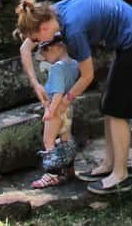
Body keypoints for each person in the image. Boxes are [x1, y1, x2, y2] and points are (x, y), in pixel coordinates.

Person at [15, 0, 132, 195]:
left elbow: (87, 76)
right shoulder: (50, 13)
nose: (39, 45)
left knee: (118, 110)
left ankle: (120, 174)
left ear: (43, 28)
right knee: (109, 105)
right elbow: (25, 49)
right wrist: (36, 85)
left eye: (37, 40)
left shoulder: (73, 29)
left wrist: (66, 101)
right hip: (129, 42)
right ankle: (109, 164)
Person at [30, 30, 80, 189]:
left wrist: (50, 110)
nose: (45, 59)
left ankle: (52, 174)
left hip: (56, 109)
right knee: (65, 139)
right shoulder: (73, 63)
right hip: (67, 108)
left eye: (45, 54)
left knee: (49, 141)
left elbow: (57, 92)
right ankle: (69, 168)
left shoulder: (58, 68)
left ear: (56, 48)